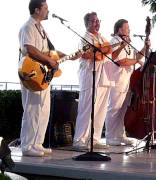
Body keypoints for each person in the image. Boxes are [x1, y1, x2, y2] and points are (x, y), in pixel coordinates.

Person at [18, 0, 79, 157]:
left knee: (43, 110)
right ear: (37, 10)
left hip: (43, 75)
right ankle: (27, 145)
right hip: (31, 74)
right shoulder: (28, 27)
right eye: (45, 8)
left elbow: (50, 51)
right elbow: (29, 49)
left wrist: (68, 56)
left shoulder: (41, 28)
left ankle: (37, 143)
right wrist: (49, 61)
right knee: (32, 109)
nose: (48, 10)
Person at [104, 19, 149, 146]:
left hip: (127, 80)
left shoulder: (128, 43)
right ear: (119, 29)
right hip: (116, 80)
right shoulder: (114, 42)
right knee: (114, 108)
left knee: (123, 109)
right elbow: (120, 61)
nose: (129, 30)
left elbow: (137, 57)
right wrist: (136, 62)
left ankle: (120, 135)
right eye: (126, 28)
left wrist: (145, 47)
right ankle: (110, 136)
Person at [72, 12, 112, 150]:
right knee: (87, 107)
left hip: (103, 75)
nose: (97, 23)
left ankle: (94, 139)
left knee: (100, 108)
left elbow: (109, 48)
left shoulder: (101, 36)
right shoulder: (84, 38)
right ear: (87, 23)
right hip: (89, 74)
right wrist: (102, 51)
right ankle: (79, 140)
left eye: (98, 20)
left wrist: (100, 51)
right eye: (94, 21)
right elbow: (88, 54)